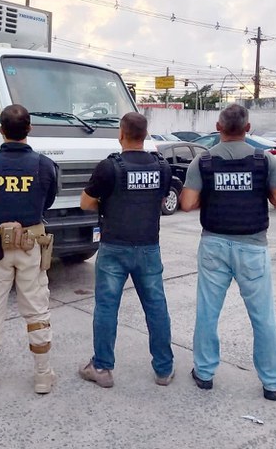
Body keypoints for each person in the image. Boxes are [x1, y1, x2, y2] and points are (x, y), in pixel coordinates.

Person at [179, 104, 276, 401]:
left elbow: (188, 203)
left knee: (208, 312)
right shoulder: (264, 162)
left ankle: (204, 373)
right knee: (263, 317)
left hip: (213, 246)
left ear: (218, 127)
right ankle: (272, 383)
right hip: (253, 247)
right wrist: (266, 191)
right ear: (248, 128)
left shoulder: (203, 162)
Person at [78, 112, 175, 388]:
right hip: (148, 247)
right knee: (156, 307)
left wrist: (109, 205)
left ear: (121, 134)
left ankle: (102, 368)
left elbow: (86, 202)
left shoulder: (109, 167)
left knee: (107, 307)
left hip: (114, 247)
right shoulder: (162, 167)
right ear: (144, 135)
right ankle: (164, 370)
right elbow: (160, 198)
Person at [0, 104, 59, 395]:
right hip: (31, 245)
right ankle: (43, 376)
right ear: (29, 129)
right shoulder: (44, 165)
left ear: (1, 130)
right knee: (36, 309)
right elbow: (48, 201)